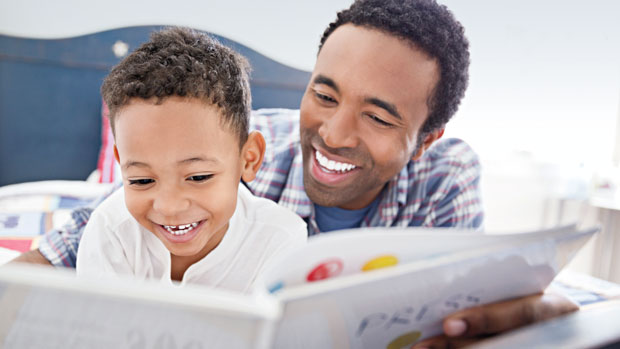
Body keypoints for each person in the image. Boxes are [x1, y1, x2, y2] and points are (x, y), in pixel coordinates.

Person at [11, 0, 578, 346]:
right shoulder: (243, 143)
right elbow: (86, 234)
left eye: (378, 116)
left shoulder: (445, 179)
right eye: (324, 95)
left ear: (424, 140)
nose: (333, 133)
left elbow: (466, 310)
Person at [74, 27, 307, 293]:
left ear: (249, 158)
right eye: (141, 180)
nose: (170, 207)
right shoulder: (111, 231)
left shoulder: (280, 240)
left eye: (198, 177)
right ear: (120, 164)